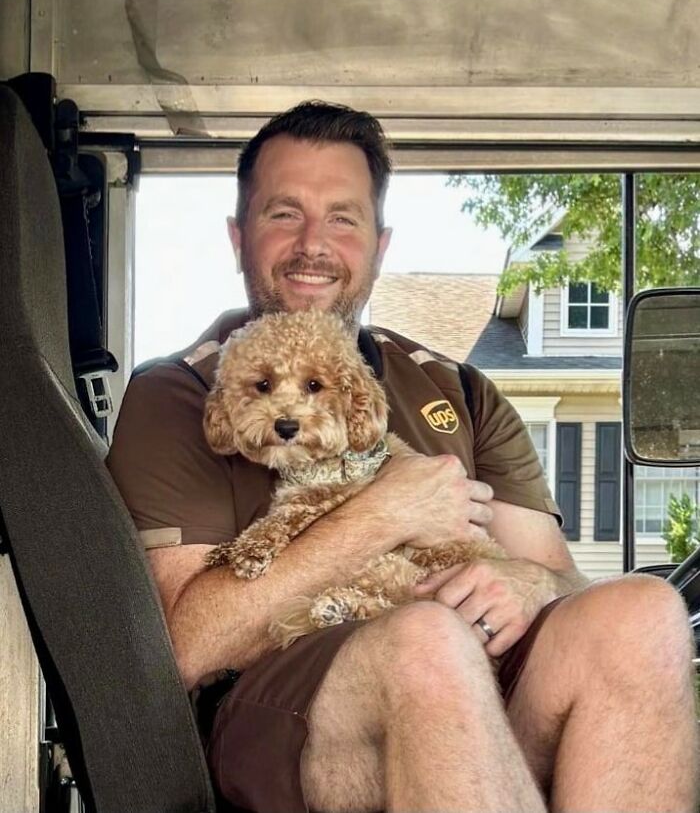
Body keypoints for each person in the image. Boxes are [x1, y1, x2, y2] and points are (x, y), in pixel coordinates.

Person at [107, 101, 699, 813]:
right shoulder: (179, 393)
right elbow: (186, 648)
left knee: (643, 612)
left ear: (379, 245)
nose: (313, 244)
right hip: (285, 714)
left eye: (343, 218)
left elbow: (561, 576)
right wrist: (385, 513)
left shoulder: (458, 389)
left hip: (479, 681)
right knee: (427, 643)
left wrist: (525, 586)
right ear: (239, 236)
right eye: (284, 213)